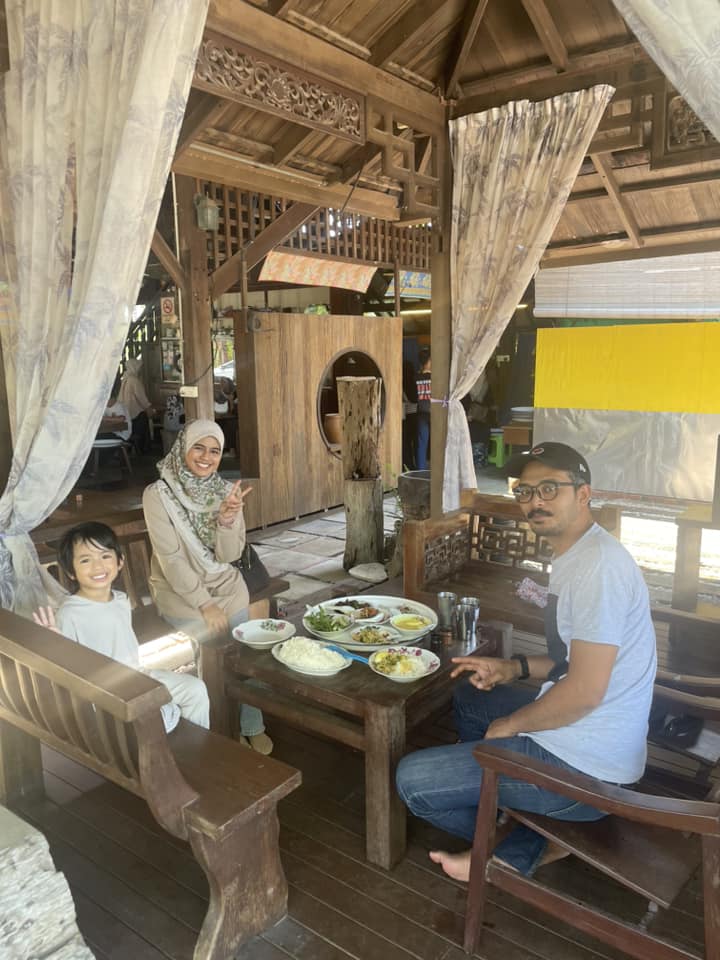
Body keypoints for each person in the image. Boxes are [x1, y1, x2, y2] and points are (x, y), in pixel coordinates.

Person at [396, 442, 657, 879]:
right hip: (586, 731)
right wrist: (512, 668)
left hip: (590, 769)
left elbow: (585, 691)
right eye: (525, 491)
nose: (535, 501)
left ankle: (528, 845)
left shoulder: (599, 569)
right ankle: (508, 804)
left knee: (412, 782)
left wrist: (511, 726)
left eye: (549, 489)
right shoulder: (577, 553)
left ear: (584, 494)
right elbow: (566, 662)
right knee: (471, 698)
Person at [142, 419, 273, 754]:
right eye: (198, 447)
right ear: (183, 448)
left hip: (225, 584)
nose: (206, 457)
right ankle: (220, 726)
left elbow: (229, 555)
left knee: (247, 643)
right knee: (217, 645)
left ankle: (250, 723)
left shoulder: (224, 491)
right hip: (179, 592)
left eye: (214, 450)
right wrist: (205, 603)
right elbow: (172, 560)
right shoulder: (158, 494)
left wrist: (227, 520)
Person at [33, 522, 210, 732]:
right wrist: (55, 645)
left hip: (136, 675)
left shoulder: (120, 599)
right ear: (71, 572)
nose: (98, 566)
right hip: (107, 694)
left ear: (120, 561)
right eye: (85, 560)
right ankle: (168, 738)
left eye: (105, 556)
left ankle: (198, 745)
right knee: (158, 718)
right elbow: (67, 671)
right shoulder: (70, 614)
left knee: (195, 689)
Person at [119, 357, 154, 453]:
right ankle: (143, 450)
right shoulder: (134, 380)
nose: (140, 369)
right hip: (136, 413)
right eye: (139, 367)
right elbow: (141, 397)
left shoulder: (125, 378)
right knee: (143, 428)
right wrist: (148, 408)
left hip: (126, 412)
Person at [96, 374, 131, 442]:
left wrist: (104, 418)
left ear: (113, 398)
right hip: (112, 432)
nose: (105, 402)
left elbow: (122, 419)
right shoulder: (104, 407)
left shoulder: (119, 406)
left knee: (97, 438)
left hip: (122, 435)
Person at [415, 347, 431, 470]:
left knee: (421, 443)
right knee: (437, 442)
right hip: (434, 412)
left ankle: (421, 470)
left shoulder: (416, 377)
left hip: (421, 412)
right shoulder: (435, 378)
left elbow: (413, 396)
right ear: (429, 361)